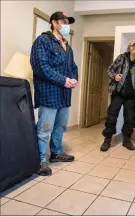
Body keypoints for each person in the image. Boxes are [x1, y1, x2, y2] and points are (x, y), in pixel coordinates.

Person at [30, 12, 78, 176]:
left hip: (64, 95)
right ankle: (40, 160)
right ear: (54, 23)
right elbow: (41, 67)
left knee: (60, 126)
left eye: (68, 22)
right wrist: (63, 80)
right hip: (49, 93)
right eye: (64, 22)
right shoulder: (42, 41)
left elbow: (73, 67)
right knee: (45, 128)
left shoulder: (67, 46)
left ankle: (56, 153)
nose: (67, 25)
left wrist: (73, 79)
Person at [101, 40, 135, 151]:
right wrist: (114, 76)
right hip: (118, 93)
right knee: (112, 116)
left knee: (130, 119)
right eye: (134, 45)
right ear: (129, 47)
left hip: (131, 96)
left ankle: (126, 140)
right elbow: (110, 70)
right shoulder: (121, 58)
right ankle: (107, 140)